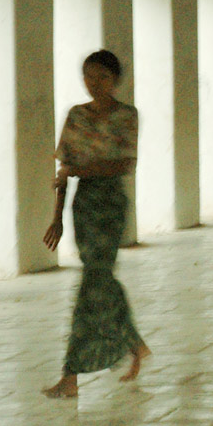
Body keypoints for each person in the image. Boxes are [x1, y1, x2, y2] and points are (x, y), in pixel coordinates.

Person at [42, 50, 150, 399]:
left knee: (93, 280)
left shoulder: (127, 116)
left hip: (110, 204)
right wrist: (57, 215)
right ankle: (133, 344)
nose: (94, 83)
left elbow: (124, 165)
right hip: (84, 204)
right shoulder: (76, 116)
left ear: (116, 80)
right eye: (88, 76)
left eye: (102, 77)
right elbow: (64, 171)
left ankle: (71, 375)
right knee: (98, 276)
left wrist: (84, 170)